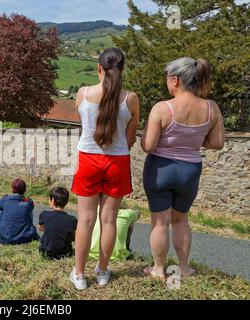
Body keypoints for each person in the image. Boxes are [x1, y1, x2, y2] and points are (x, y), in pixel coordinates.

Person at [141, 57, 225, 280]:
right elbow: (217, 143)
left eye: (167, 78)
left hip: (160, 168)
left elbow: (148, 146)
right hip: (190, 170)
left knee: (160, 222)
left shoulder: (162, 108)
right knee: (181, 220)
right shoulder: (211, 107)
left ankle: (158, 269)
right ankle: (184, 269)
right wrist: (194, 141)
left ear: (175, 80)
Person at [71, 48, 140, 290]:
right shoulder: (131, 99)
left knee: (85, 220)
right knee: (108, 219)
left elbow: (84, 127)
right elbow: (130, 138)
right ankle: (101, 271)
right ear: (122, 70)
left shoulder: (83, 93)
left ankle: (79, 275)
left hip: (88, 158)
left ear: (99, 68)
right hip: (117, 161)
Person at [0, 178, 39, 245]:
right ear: (25, 190)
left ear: (12, 189)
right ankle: (29, 226)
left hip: (5, 236)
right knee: (28, 209)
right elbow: (31, 205)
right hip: (25, 236)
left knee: (2, 208)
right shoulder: (28, 202)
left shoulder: (6, 199)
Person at [38, 187, 78, 260]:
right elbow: (75, 238)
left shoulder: (44, 215)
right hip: (66, 254)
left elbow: (41, 229)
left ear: (52, 200)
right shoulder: (72, 219)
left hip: (46, 254)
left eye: (49, 199)